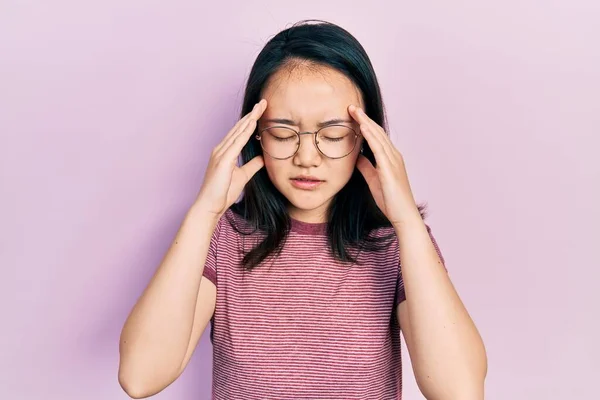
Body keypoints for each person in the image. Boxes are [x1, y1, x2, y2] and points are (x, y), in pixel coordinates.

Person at [118, 20, 487, 399]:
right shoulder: (221, 238)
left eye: (333, 135)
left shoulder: (397, 245)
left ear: (367, 136)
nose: (306, 157)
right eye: (281, 134)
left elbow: (459, 391)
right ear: (253, 133)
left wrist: (407, 222)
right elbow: (141, 375)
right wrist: (204, 213)